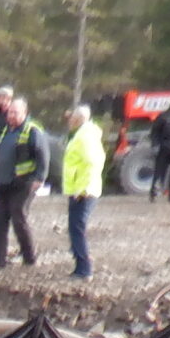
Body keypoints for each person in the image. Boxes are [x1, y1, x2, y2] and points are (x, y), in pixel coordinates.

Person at [0, 95, 47, 268]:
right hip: (3, 183)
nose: (11, 116)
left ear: (25, 113)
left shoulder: (32, 130)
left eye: (15, 113)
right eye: (10, 113)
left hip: (23, 183)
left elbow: (43, 154)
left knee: (18, 218)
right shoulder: (6, 131)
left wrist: (39, 177)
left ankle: (29, 257)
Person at [61, 102, 104, 279]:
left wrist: (82, 188)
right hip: (80, 189)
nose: (69, 120)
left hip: (84, 191)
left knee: (77, 228)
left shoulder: (85, 136)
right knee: (75, 228)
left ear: (78, 118)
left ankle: (84, 269)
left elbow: (91, 163)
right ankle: (80, 265)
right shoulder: (84, 134)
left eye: (71, 117)